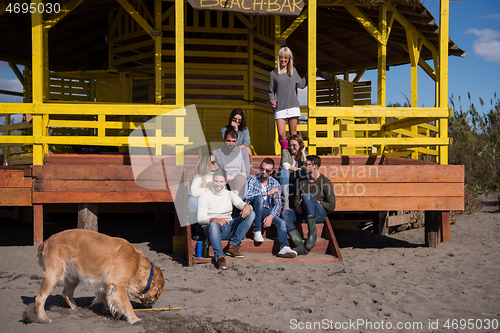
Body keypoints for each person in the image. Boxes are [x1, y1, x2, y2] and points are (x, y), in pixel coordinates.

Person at [197, 168, 255, 270]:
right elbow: (200, 219)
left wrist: (247, 206)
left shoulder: (229, 194)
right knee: (214, 225)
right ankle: (220, 256)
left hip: (228, 227)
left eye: (221, 182)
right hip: (211, 229)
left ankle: (234, 244)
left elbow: (242, 204)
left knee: (251, 213)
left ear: (225, 182)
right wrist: (214, 219)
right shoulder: (204, 196)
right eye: (216, 181)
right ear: (213, 180)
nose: (218, 184)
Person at [281, 155, 336, 255]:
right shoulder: (302, 181)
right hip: (305, 213)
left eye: (306, 164)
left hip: (319, 214)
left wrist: (317, 202)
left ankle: (312, 233)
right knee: (285, 213)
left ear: (315, 166)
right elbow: (297, 200)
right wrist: (297, 206)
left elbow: (332, 206)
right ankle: (299, 244)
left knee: (307, 197)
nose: (304, 167)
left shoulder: (326, 182)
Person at [245, 158, 297, 258]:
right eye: (262, 169)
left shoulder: (275, 183)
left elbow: (277, 204)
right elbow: (247, 197)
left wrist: (271, 216)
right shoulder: (252, 179)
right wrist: (266, 193)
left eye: (267, 170)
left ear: (272, 171)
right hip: (253, 209)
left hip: (266, 211)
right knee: (259, 199)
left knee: (281, 222)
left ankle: (284, 247)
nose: (264, 172)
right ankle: (257, 230)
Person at [269, 47, 308, 150]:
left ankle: (294, 155)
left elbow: (302, 84)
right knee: (281, 134)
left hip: (292, 105)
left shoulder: (293, 71)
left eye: (286, 58)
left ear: (289, 59)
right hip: (280, 107)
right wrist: (271, 99)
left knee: (293, 134)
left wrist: (310, 74)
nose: (283, 60)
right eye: (281, 57)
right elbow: (271, 92)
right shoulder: (273, 74)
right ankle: (286, 152)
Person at [188, 152, 218, 239]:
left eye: (215, 162)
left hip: (216, 202)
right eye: (212, 162)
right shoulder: (199, 176)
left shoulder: (218, 175)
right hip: (203, 202)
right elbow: (193, 191)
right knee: (192, 200)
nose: (214, 164)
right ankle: (196, 228)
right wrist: (208, 190)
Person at [212, 128, 250, 196]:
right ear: (224, 140)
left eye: (233, 141)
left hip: (238, 182)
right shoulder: (216, 153)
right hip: (222, 181)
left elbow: (246, 173)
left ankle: (238, 199)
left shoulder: (243, 152)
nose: (231, 143)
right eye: (228, 141)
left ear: (236, 141)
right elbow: (212, 169)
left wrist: (232, 176)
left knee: (240, 178)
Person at [277, 134, 308, 210]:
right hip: (284, 184)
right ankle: (285, 203)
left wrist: (303, 153)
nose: (291, 147)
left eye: (294, 145)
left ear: (300, 145)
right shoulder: (286, 151)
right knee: (285, 172)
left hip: (296, 184)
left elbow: (308, 167)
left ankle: (303, 201)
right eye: (290, 145)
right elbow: (285, 165)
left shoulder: (302, 154)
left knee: (305, 172)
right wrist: (299, 169)